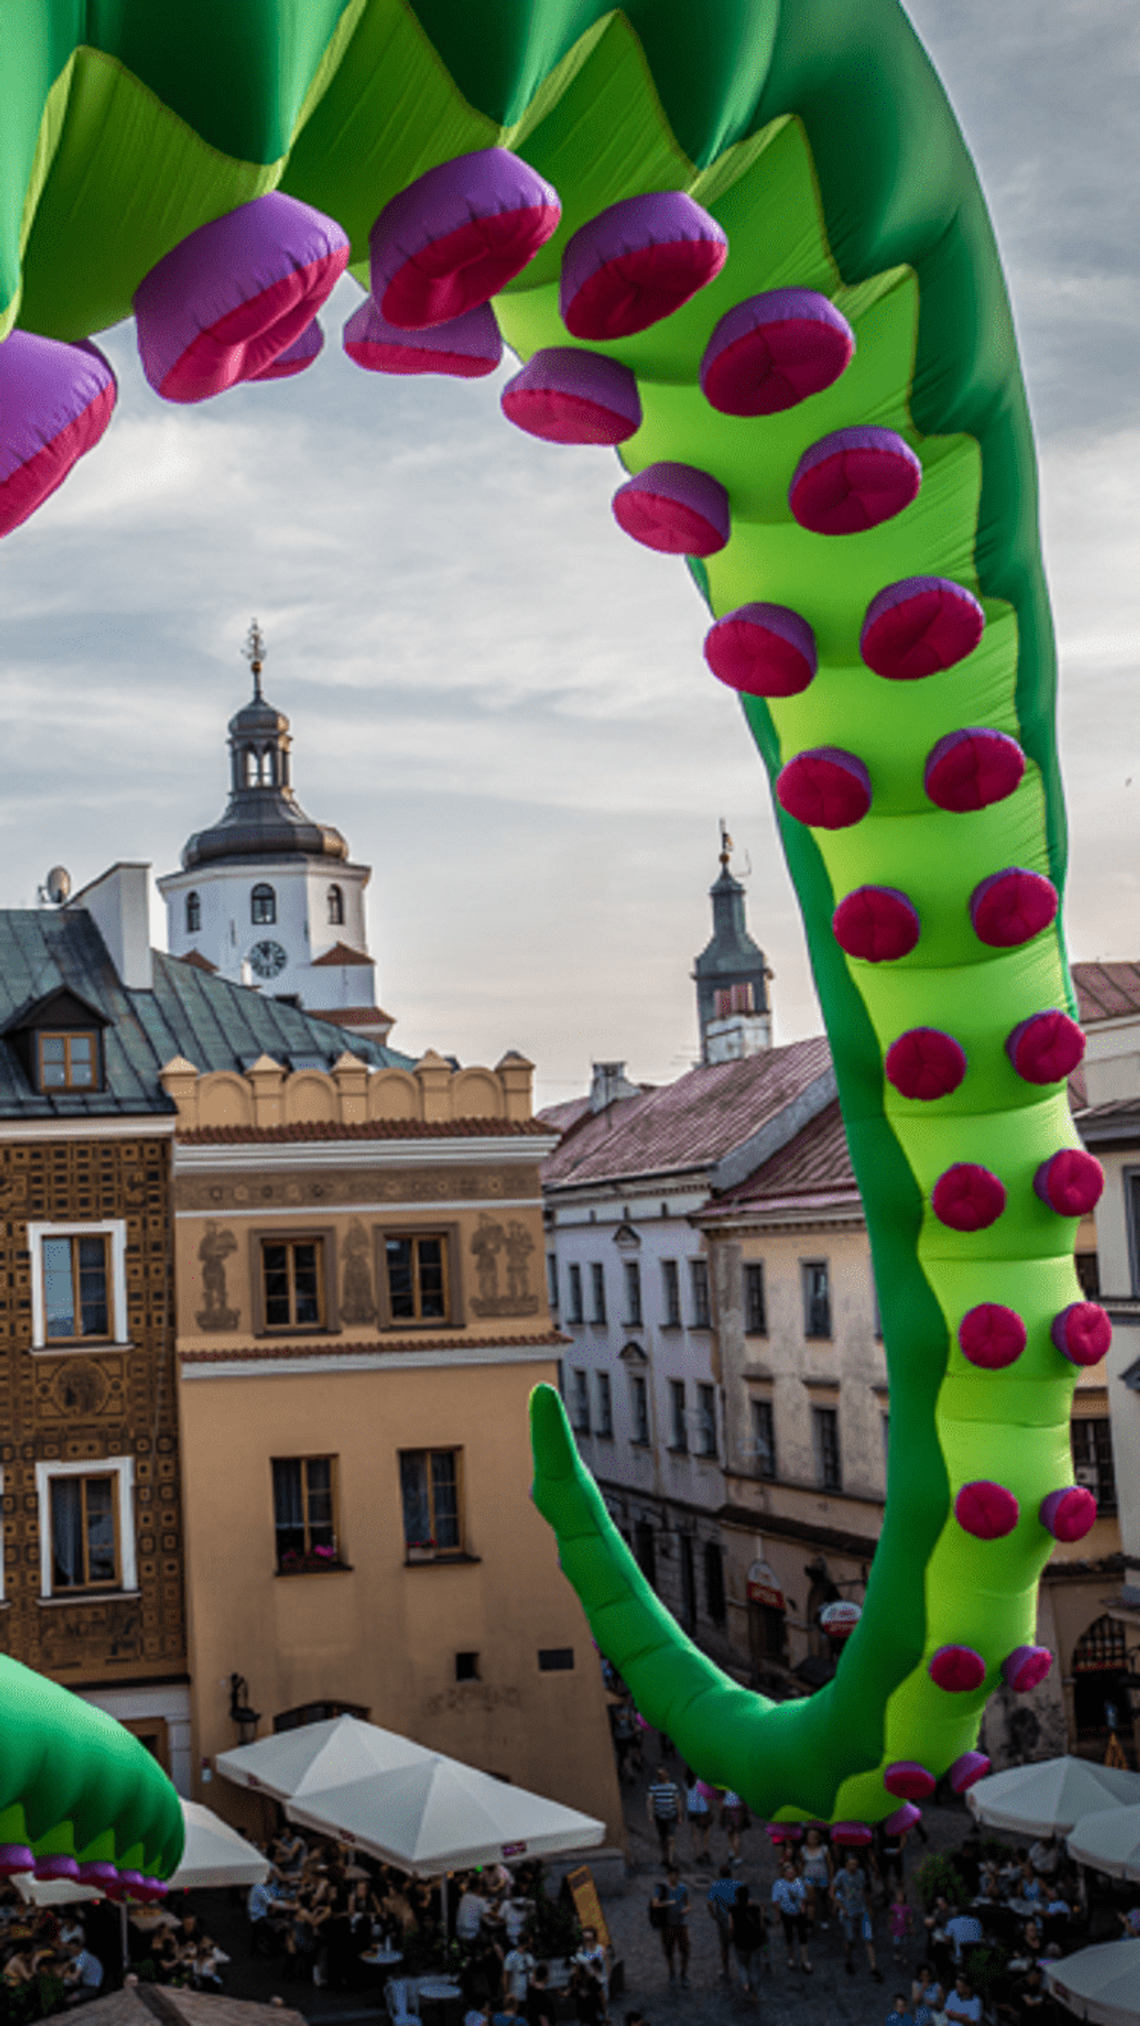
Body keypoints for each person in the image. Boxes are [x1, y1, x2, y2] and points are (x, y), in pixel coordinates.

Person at [832, 1853, 883, 1981]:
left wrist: (869, 1907)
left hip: (862, 1909)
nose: (853, 1866)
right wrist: (840, 1907)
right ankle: (848, 1961)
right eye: (851, 1864)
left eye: (855, 1864)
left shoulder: (861, 1873)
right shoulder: (841, 1875)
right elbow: (831, 1892)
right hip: (848, 1911)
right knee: (849, 1940)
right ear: (846, 1864)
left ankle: (873, 1966)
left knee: (869, 1939)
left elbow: (864, 1890)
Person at [650, 1866, 690, 1990]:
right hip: (667, 1925)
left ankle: (683, 1974)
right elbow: (655, 1903)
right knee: (669, 1951)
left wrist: (686, 1910)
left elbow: (688, 1904)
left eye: (676, 1875)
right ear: (668, 1875)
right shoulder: (661, 1888)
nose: (675, 1877)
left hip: (681, 1924)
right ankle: (672, 1973)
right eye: (672, 1875)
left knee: (685, 1950)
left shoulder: (684, 1888)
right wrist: (668, 1903)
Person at [771, 1861, 812, 1973]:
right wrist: (777, 1914)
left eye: (791, 1870)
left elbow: (803, 1898)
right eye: (787, 1870)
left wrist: (803, 1907)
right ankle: (791, 1958)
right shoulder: (778, 1884)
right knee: (789, 1937)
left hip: (799, 1913)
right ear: (783, 1873)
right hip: (786, 1914)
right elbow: (775, 1901)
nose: (790, 1872)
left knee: (803, 1937)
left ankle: (805, 1960)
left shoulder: (799, 1882)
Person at [730, 1883, 766, 2001]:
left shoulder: (733, 1909)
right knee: (754, 1967)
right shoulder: (756, 1908)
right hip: (755, 1942)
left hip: (740, 1942)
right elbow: (761, 1925)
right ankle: (755, 1993)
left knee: (742, 1965)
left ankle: (745, 1983)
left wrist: (731, 1937)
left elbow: (731, 1926)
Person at [706, 1864, 738, 1981]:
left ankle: (726, 1970)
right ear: (731, 1874)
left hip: (722, 1919)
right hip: (737, 1919)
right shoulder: (738, 1885)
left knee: (724, 1947)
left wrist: (713, 1915)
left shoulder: (716, 1886)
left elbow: (709, 1902)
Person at [647, 1767, 682, 1867]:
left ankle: (669, 1859)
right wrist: (650, 1815)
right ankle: (665, 1857)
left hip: (670, 1815)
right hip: (660, 1816)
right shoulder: (654, 1786)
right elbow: (649, 1801)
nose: (660, 1776)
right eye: (659, 1774)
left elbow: (678, 1801)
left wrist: (679, 1815)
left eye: (662, 1774)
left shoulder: (672, 1786)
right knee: (663, 1838)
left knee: (670, 1837)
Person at [801, 1826, 833, 1930]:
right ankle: (810, 1923)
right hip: (808, 1877)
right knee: (810, 1901)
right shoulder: (803, 1849)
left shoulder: (824, 1848)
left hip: (823, 1877)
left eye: (814, 1837)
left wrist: (831, 1877)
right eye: (810, 1836)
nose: (812, 1839)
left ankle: (824, 1919)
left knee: (823, 1899)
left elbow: (830, 1863)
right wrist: (801, 1878)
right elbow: (801, 1864)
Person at [684, 1773, 711, 1864]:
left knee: (695, 1833)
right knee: (705, 1832)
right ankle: (705, 1851)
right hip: (703, 1809)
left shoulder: (686, 1782)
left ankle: (698, 1854)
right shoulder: (702, 1782)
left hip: (692, 1810)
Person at [720, 1790, 747, 1865]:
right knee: (736, 1834)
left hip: (726, 1807)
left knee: (730, 1833)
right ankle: (736, 1856)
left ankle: (732, 1852)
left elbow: (721, 1794)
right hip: (737, 1807)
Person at [889, 1885, 913, 1965]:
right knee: (896, 1943)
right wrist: (890, 1924)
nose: (900, 1898)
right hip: (896, 1929)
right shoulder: (894, 1907)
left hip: (905, 1929)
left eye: (901, 1896)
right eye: (898, 1896)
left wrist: (911, 1925)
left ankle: (905, 1956)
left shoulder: (907, 1907)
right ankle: (897, 1953)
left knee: (905, 1944)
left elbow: (909, 1917)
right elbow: (891, 1916)